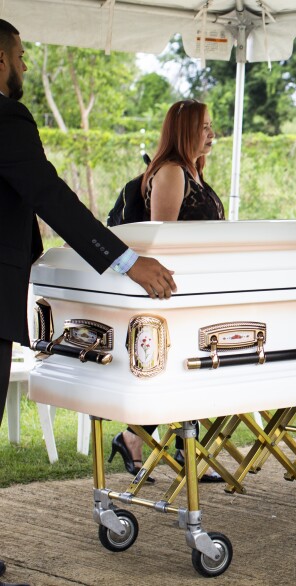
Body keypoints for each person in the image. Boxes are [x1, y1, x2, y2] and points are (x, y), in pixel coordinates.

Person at [0, 19, 177, 586]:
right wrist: (125, 259)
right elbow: (48, 193)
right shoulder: (6, 116)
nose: (25, 66)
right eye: (20, 55)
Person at [111, 99, 224, 483]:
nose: (212, 133)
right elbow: (162, 240)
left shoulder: (195, 172)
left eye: (211, 126)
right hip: (172, 290)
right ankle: (139, 439)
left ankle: (171, 448)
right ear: (184, 130)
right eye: (204, 126)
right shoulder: (173, 172)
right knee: (175, 369)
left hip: (195, 290)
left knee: (192, 370)